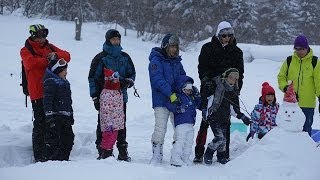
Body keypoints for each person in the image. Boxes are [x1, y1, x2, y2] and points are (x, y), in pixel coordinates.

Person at [194, 21, 244, 164]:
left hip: (228, 90)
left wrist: (237, 88)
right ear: (218, 35)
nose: (226, 38)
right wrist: (206, 81)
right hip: (210, 90)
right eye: (224, 35)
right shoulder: (208, 48)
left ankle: (223, 154)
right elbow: (202, 68)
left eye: (229, 35)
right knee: (205, 121)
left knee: (225, 121)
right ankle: (199, 152)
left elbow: (240, 72)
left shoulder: (236, 52)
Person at [20, 24, 71, 162]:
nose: (43, 38)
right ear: (33, 35)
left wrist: (56, 55)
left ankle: (51, 153)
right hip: (37, 92)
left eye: (44, 35)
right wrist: (49, 60)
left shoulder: (50, 47)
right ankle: (39, 155)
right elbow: (30, 64)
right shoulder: (25, 50)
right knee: (40, 123)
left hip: (54, 91)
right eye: (40, 35)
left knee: (52, 123)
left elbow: (67, 56)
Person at [88, 29, 136, 161]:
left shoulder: (125, 57)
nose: (116, 41)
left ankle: (122, 149)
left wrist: (129, 82)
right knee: (103, 124)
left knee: (121, 123)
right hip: (104, 98)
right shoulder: (100, 58)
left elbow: (132, 73)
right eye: (113, 39)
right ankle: (102, 149)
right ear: (108, 40)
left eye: (118, 39)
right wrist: (95, 96)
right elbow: (92, 78)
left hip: (121, 97)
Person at [148, 33, 186, 164]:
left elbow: (182, 78)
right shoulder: (156, 61)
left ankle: (176, 153)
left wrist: (188, 86)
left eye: (176, 47)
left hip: (175, 100)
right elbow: (157, 80)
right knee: (160, 128)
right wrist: (170, 93)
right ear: (165, 46)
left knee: (179, 127)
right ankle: (157, 154)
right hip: (161, 100)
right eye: (171, 47)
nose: (174, 49)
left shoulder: (177, 62)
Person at [202, 68, 251, 165]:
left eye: (235, 78)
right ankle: (208, 153)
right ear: (226, 77)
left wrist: (243, 117)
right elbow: (207, 99)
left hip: (224, 118)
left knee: (224, 140)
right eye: (231, 77)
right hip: (214, 117)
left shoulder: (233, 92)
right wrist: (206, 113)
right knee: (219, 138)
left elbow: (234, 109)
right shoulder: (217, 86)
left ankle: (221, 157)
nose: (232, 80)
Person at [277, 35, 320, 136]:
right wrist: (286, 88)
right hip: (290, 104)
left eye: (301, 49)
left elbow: (319, 82)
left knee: (305, 133)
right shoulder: (289, 60)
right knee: (289, 132)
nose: (299, 51)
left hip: (307, 105)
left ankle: (305, 152)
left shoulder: (314, 62)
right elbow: (281, 77)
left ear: (307, 48)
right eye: (296, 49)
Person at [165, 75, 201, 167]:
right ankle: (175, 158)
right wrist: (177, 108)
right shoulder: (177, 96)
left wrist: (197, 96)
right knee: (180, 141)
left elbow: (199, 105)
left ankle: (185, 157)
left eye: (191, 90)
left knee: (189, 142)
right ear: (182, 88)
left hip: (190, 124)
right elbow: (169, 105)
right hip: (181, 124)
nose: (189, 91)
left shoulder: (192, 98)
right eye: (188, 89)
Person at [43, 58, 74, 161]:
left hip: (65, 116)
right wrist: (49, 115)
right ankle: (54, 160)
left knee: (69, 138)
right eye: (63, 70)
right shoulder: (51, 82)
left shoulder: (65, 82)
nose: (66, 72)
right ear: (57, 71)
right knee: (56, 139)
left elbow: (69, 101)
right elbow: (47, 100)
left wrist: (71, 115)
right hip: (56, 116)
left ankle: (65, 159)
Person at [98, 68, 124, 159]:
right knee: (108, 138)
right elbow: (105, 110)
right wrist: (108, 122)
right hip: (110, 123)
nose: (117, 80)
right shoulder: (107, 93)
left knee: (112, 138)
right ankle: (106, 154)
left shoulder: (117, 91)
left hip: (116, 122)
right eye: (115, 78)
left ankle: (108, 153)